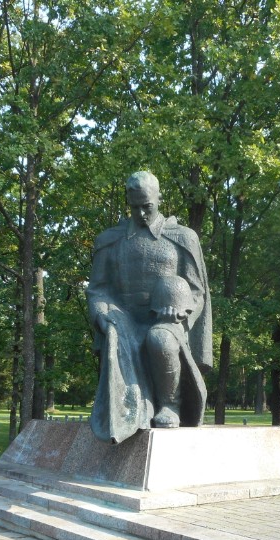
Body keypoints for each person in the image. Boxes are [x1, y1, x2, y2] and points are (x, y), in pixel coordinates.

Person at [86, 171, 212, 443]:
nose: (142, 213)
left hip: (167, 320)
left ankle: (171, 404)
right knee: (117, 335)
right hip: (125, 318)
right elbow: (98, 289)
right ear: (128, 203)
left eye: (148, 206)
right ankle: (132, 410)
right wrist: (102, 314)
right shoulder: (110, 240)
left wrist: (180, 310)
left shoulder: (182, 237)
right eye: (135, 207)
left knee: (160, 339)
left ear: (159, 199)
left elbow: (196, 289)